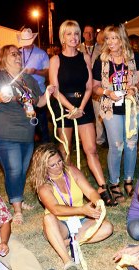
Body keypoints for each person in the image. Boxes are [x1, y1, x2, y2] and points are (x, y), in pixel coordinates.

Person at [0, 45, 56, 225]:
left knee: (21, 170)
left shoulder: (28, 79)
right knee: (14, 169)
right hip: (3, 134)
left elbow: (39, 103)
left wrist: (48, 92)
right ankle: (17, 209)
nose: (17, 56)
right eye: (13, 54)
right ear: (3, 59)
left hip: (26, 133)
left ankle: (17, 198)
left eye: (18, 54)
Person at [49, 20, 114, 206]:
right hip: (64, 108)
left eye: (76, 33)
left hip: (83, 107)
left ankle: (102, 187)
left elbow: (88, 87)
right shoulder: (55, 60)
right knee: (65, 152)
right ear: (62, 37)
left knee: (91, 149)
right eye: (69, 34)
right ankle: (67, 188)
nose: (73, 37)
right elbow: (55, 90)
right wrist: (71, 108)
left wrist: (81, 108)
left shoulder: (85, 57)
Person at [28, 143, 113, 270]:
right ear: (44, 167)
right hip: (60, 225)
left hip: (81, 221)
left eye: (59, 161)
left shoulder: (71, 171)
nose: (58, 166)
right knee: (48, 218)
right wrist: (82, 210)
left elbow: (91, 192)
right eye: (53, 165)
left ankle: (70, 242)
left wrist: (98, 202)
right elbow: (55, 209)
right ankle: (67, 261)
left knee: (107, 228)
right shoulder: (44, 186)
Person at [92, 24, 139, 202]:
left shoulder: (134, 57)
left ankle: (128, 180)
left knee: (131, 143)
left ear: (122, 39)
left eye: (114, 38)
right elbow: (95, 87)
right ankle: (114, 183)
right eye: (108, 38)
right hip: (110, 106)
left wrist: (134, 89)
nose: (111, 42)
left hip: (131, 106)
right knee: (117, 145)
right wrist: (108, 93)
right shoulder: (101, 60)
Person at [18, 28, 51, 143]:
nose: (25, 46)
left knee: (41, 119)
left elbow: (48, 72)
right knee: (27, 119)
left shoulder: (41, 54)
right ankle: (29, 142)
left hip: (38, 90)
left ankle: (45, 143)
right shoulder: (17, 53)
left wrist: (35, 72)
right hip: (22, 90)